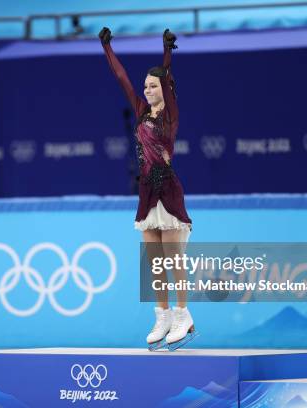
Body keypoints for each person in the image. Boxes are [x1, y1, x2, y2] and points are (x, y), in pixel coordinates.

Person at [100, 27, 196, 351]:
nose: (147, 89)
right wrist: (107, 47)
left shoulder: (170, 115)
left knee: (173, 259)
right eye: (146, 86)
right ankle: (163, 315)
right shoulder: (140, 111)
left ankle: (184, 314)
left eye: (152, 85)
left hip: (167, 190)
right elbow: (121, 77)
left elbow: (166, 74)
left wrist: (166, 51)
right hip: (146, 193)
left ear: (163, 89)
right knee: (153, 262)